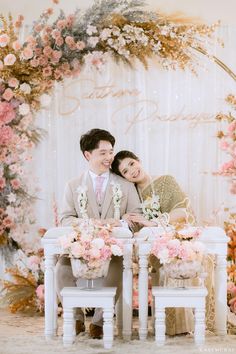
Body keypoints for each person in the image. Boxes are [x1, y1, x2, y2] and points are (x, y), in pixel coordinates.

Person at [111, 150, 215, 335]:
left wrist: (156, 222)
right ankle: (169, 327)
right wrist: (126, 217)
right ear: (124, 178)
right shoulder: (130, 195)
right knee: (158, 266)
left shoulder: (166, 181)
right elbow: (131, 225)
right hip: (153, 248)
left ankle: (188, 326)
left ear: (138, 160)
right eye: (125, 171)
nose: (132, 171)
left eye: (132, 164)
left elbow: (184, 211)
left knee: (177, 262)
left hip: (176, 242)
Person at [55, 130, 141, 339]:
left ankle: (100, 322)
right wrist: (93, 225)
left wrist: (118, 223)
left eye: (111, 152)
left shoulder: (126, 185)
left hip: (113, 249)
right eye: (103, 153)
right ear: (87, 155)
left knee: (118, 266)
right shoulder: (73, 185)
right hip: (80, 247)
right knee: (60, 268)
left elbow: (136, 217)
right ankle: (74, 318)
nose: (109, 158)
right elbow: (65, 218)